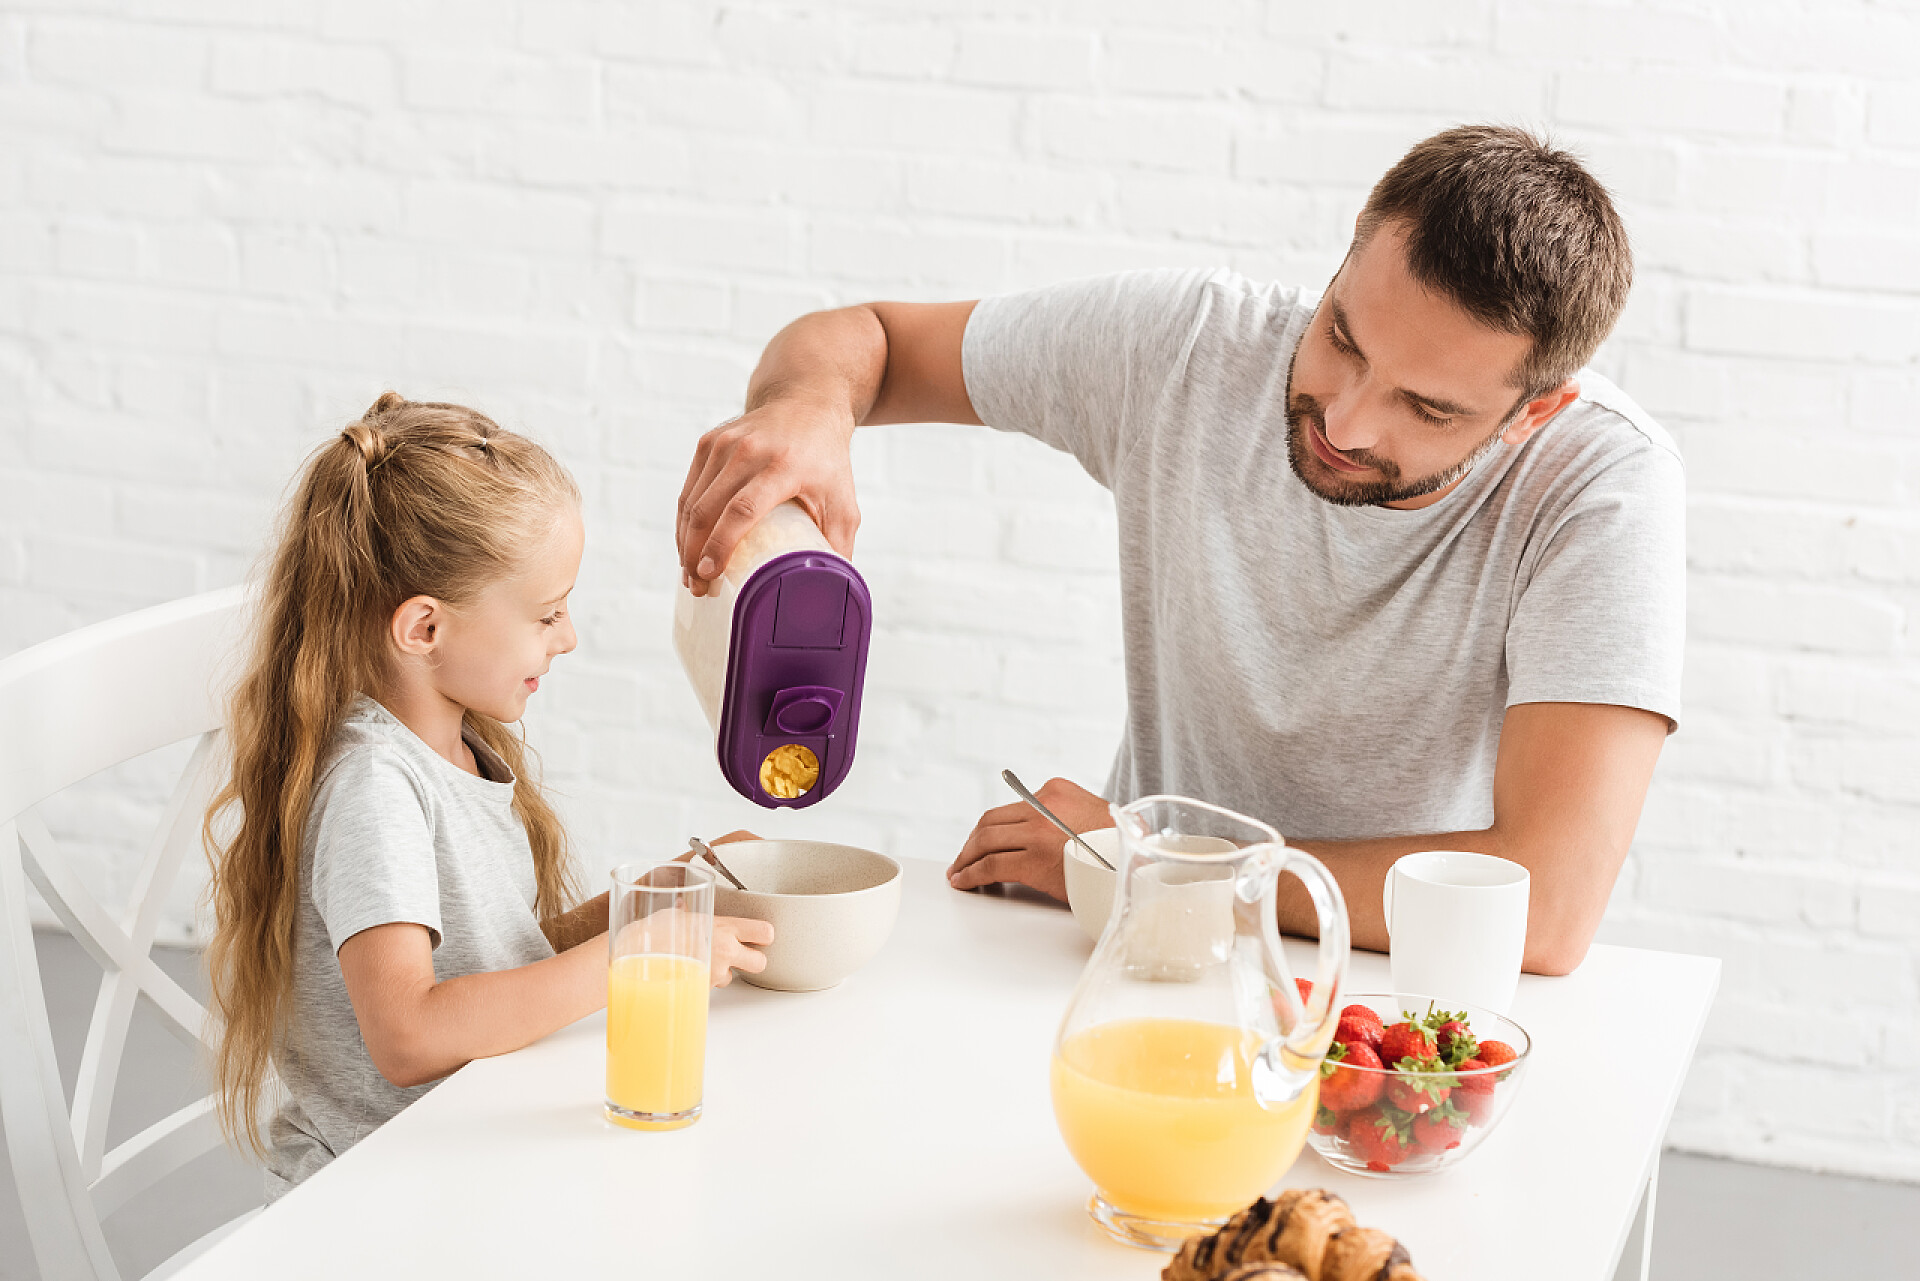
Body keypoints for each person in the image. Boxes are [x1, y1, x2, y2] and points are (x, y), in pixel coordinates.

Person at [674, 125, 1683, 977]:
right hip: (1135, 951)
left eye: (1426, 406)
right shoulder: (1192, 347)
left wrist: (1155, 861)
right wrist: (809, 408)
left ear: (1533, 411)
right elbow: (866, 342)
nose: (1346, 417)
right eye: (1344, 336)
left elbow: (1544, 908)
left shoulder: (1600, 487)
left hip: (1399, 990)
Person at [203, 393, 772, 1197]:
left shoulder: (453, 750)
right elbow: (409, 1032)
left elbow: (489, 964)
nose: (568, 636)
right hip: (381, 1191)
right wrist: (636, 955)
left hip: (468, 1139)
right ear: (425, 629)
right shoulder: (375, 788)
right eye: (547, 613)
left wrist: (652, 898)